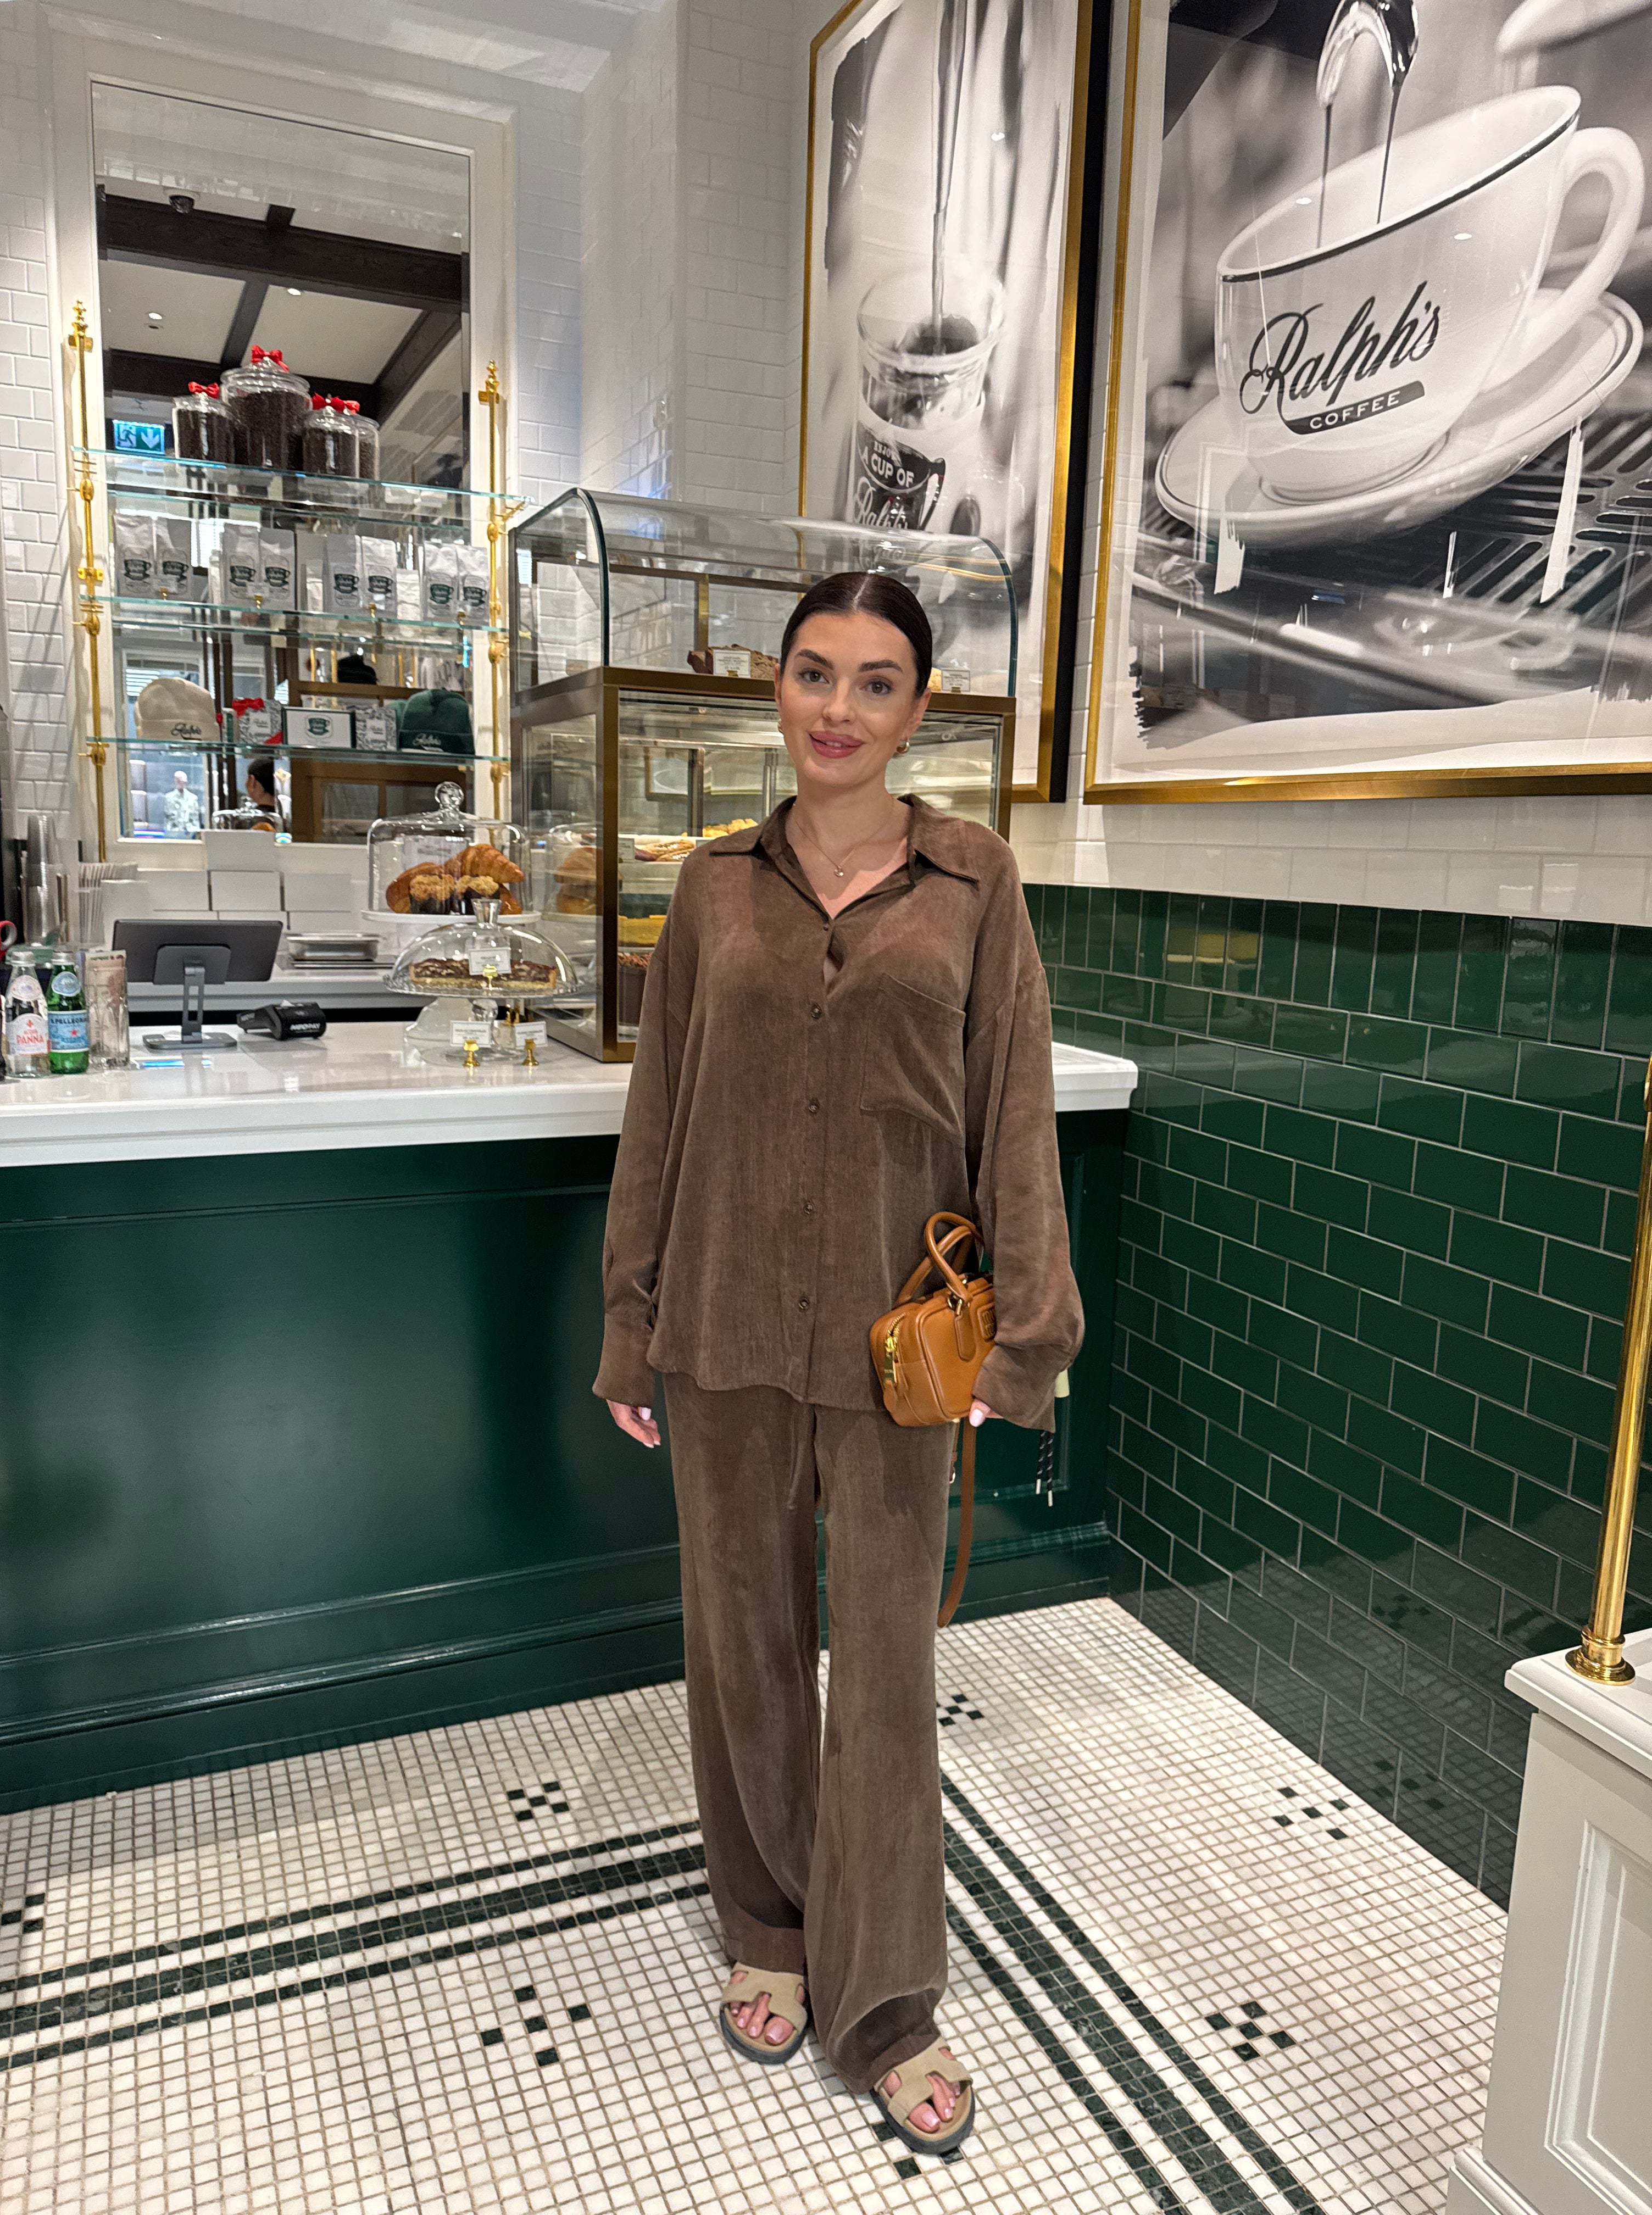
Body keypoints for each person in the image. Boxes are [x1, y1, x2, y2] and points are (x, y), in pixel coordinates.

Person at [594, 570, 1082, 2156]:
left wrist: (1031, 1335)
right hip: (724, 1323)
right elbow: (660, 1119)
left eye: (877, 683)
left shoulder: (976, 880)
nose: (840, 709)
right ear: (778, 688)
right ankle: (767, 1921)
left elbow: (1014, 1111)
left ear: (917, 710)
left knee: (883, 1669)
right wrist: (630, 1320)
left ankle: (884, 1999)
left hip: (900, 1348)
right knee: (741, 1641)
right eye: (816, 673)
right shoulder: (712, 888)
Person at [161, 769, 203, 838]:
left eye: (183, 781)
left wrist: (196, 834)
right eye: (179, 781)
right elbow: (168, 818)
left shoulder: (193, 798)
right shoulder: (169, 798)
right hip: (173, 833)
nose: (181, 783)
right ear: (175, 781)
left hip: (190, 833)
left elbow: (195, 819)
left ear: (186, 782)